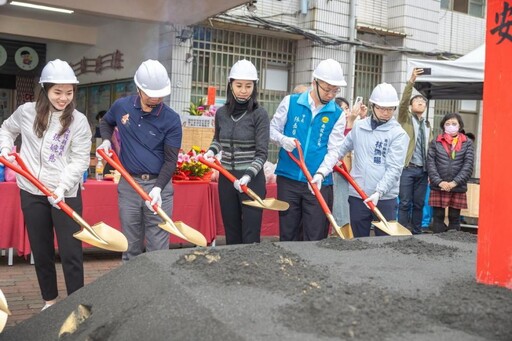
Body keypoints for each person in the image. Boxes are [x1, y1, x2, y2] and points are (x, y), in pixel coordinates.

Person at [0, 59, 91, 310]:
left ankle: (77, 304)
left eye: (69, 92)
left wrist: (61, 187)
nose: (64, 98)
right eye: (58, 92)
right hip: (31, 191)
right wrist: (6, 148)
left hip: (64, 194)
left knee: (71, 253)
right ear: (45, 90)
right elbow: (6, 130)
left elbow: (80, 159)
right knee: (41, 251)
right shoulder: (26, 112)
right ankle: (49, 301)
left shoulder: (79, 122)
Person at [97, 59, 182, 260]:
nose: (156, 99)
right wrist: (107, 141)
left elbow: (171, 160)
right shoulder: (122, 106)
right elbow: (106, 122)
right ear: (138, 89)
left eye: (160, 95)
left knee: (158, 251)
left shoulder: (171, 119)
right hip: (129, 184)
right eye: (151, 95)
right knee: (130, 247)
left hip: (158, 187)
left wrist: (158, 188)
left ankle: (156, 291)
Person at [270, 58, 346, 241]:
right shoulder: (291, 102)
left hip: (318, 183)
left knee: (315, 234)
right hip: (288, 179)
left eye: (335, 90)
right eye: (327, 89)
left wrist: (321, 173)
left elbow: (334, 150)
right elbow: (271, 130)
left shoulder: (338, 114)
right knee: (288, 233)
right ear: (314, 83)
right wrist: (282, 139)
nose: (330, 95)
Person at [204, 59, 269, 244]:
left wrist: (248, 176)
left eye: (248, 86)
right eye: (239, 85)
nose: (243, 90)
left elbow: (262, 153)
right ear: (230, 85)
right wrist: (211, 152)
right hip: (226, 177)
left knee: (250, 232)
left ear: (254, 87)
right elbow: (218, 140)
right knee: (231, 230)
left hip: (251, 179)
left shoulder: (259, 114)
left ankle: (250, 270)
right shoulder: (222, 113)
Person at [337, 83, 409, 237]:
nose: (386, 113)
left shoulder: (398, 134)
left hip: (384, 198)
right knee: (358, 240)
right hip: (358, 194)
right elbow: (342, 147)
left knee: (384, 244)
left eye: (390, 109)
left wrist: (379, 192)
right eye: (382, 108)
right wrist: (327, 165)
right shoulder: (359, 127)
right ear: (373, 106)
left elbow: (395, 168)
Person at [397, 68, 433, 234]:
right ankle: (402, 231)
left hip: (422, 170)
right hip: (407, 167)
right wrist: (411, 80)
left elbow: (430, 148)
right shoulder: (405, 119)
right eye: (417, 101)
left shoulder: (427, 124)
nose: (421, 103)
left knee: (419, 203)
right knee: (405, 202)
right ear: (411, 106)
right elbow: (403, 102)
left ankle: (417, 232)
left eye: (423, 102)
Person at [427, 113, 474, 233]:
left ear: (460, 126)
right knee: (437, 217)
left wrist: (455, 182)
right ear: (443, 126)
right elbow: (430, 164)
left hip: (458, 185)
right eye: (447, 124)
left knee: (454, 217)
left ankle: (453, 245)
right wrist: (439, 182)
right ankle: (437, 243)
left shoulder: (467, 142)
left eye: (454, 124)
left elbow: (468, 165)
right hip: (439, 186)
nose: (451, 126)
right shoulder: (436, 142)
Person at [332, 97, 368, 228]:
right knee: (340, 206)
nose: (346, 112)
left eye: (347, 108)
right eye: (343, 109)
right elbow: (345, 145)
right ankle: (341, 232)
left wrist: (364, 118)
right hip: (338, 172)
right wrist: (351, 120)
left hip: (351, 171)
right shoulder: (334, 125)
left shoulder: (355, 124)